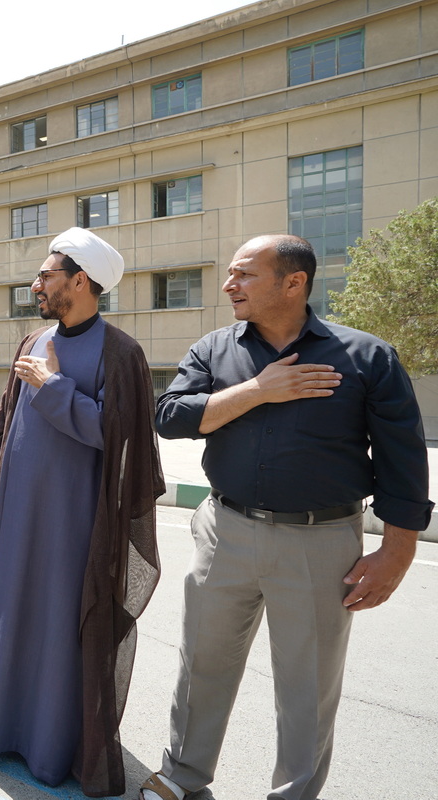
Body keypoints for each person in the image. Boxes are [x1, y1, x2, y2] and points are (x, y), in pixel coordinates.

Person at [140, 235, 434, 800]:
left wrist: (398, 551)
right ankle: (182, 778)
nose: (229, 285)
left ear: (294, 282)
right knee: (202, 663)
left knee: (308, 685)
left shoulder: (368, 357)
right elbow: (170, 417)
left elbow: (402, 460)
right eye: (231, 273)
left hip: (321, 542)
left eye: (244, 274)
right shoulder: (214, 349)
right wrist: (257, 390)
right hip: (224, 531)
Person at [0, 228, 164, 797]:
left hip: (74, 526)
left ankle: (49, 745)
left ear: (80, 281)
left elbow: (119, 438)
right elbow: (4, 421)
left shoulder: (122, 354)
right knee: (10, 610)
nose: (35, 285)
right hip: (16, 515)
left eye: (46, 275)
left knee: (57, 626)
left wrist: (53, 386)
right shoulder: (33, 339)